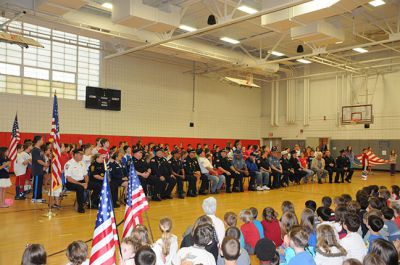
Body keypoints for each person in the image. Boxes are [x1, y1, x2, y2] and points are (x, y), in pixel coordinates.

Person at [65, 148, 89, 213]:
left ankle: (92, 203)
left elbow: (86, 175)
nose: (82, 156)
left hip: (82, 181)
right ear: (75, 155)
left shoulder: (82, 163)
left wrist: (86, 183)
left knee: (96, 185)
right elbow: (69, 178)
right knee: (80, 188)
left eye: (82, 155)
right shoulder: (69, 164)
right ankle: (80, 207)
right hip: (71, 183)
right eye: (80, 155)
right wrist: (81, 184)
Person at [31, 135, 49, 203]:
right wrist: (45, 165)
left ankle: (39, 198)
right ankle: (34, 198)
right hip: (37, 170)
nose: (43, 141)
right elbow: (38, 160)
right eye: (42, 140)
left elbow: (42, 159)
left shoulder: (39, 150)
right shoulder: (35, 150)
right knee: (36, 184)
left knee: (39, 184)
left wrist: (44, 166)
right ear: (38, 141)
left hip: (41, 170)